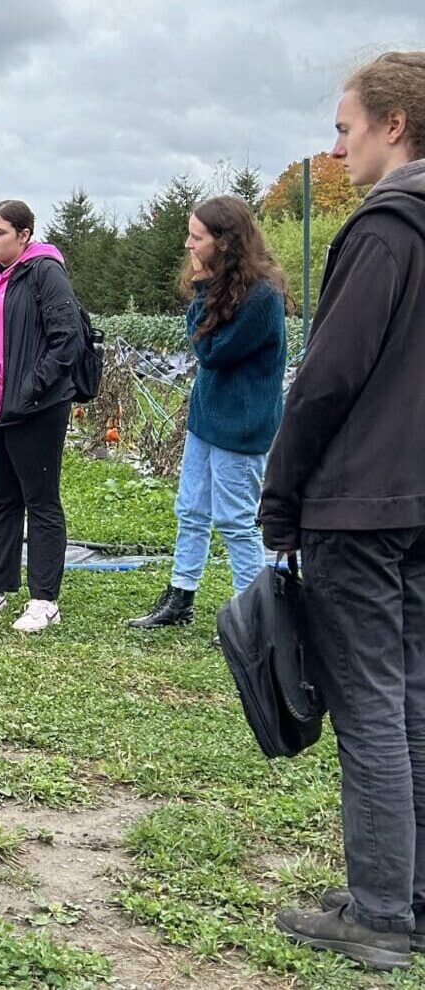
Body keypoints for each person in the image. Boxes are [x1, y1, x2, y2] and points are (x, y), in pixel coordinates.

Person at [259, 51, 425, 972]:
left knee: (367, 705)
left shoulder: (386, 229)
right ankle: (409, 891)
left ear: (394, 126)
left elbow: (326, 381)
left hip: (360, 507)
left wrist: (282, 498)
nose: (337, 144)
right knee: (413, 701)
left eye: (345, 126)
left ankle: (377, 914)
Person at [128, 197, 287, 630]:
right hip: (207, 419)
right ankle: (180, 596)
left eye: (196, 238)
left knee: (236, 521)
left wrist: (200, 289)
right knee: (191, 509)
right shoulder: (223, 284)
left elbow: (211, 351)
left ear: (224, 241)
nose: (188, 245)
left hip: (241, 425)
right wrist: (203, 287)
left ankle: (252, 617)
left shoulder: (262, 297)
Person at [0, 199, 86, 633]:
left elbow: (68, 339)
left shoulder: (45, 272)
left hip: (34, 406)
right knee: (3, 498)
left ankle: (44, 599)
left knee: (40, 498)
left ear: (24, 235)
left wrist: (32, 387)